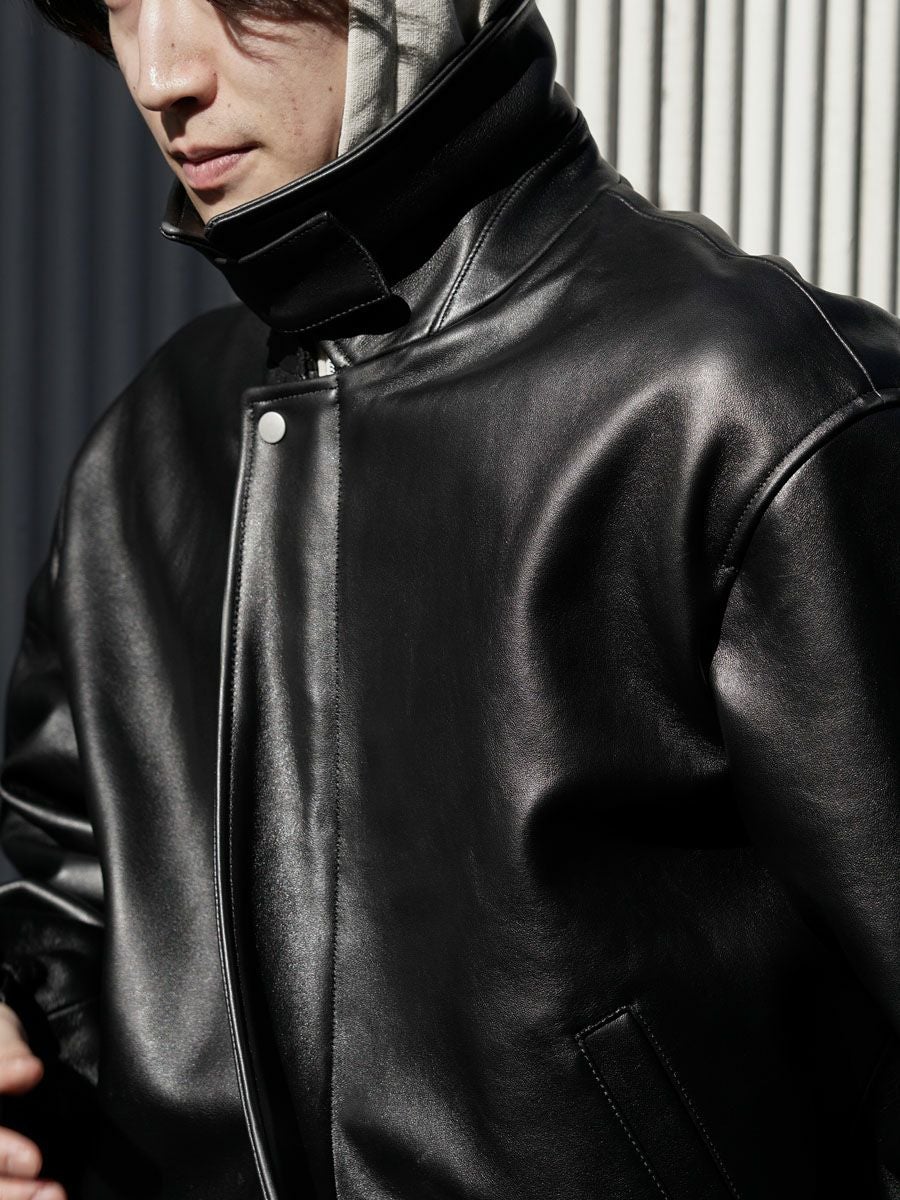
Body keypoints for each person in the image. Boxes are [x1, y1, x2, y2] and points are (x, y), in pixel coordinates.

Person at [4, 0, 900, 1195]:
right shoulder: (150, 452)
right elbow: (54, 895)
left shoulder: (736, 405)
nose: (162, 72)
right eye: (120, 3)